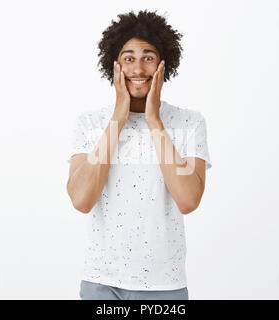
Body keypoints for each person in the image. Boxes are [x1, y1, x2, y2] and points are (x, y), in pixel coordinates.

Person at [67, 9, 212, 300]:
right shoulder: (91, 123)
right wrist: (118, 119)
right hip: (100, 283)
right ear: (115, 65)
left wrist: (154, 121)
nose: (138, 69)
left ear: (162, 64)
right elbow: (81, 200)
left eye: (148, 57)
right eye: (129, 58)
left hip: (164, 286)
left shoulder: (188, 122)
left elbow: (188, 200)